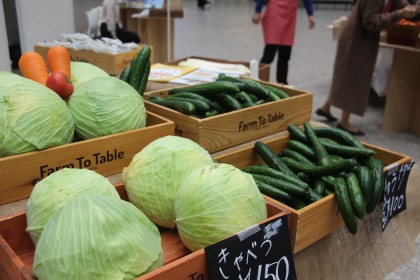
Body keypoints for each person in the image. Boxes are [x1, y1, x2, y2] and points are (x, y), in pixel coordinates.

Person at [316, 0, 419, 135]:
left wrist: (413, 10)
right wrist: (399, 14)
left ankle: (326, 107)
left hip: (360, 39)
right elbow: (371, 22)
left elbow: (400, 4)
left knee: (343, 76)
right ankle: (344, 122)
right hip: (357, 40)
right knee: (354, 77)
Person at [252, 0, 316, 85]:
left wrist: (310, 13)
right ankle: (257, 82)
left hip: (289, 15)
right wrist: (257, 10)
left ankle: (282, 84)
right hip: (274, 13)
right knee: (269, 55)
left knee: (285, 56)